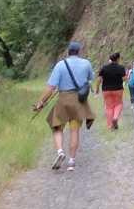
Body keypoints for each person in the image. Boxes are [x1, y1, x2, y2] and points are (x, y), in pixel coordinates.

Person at [32, 41, 95, 172]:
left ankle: (60, 151)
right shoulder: (86, 63)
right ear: (79, 51)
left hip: (63, 100)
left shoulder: (60, 65)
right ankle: (71, 161)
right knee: (74, 130)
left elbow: (51, 88)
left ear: (68, 52)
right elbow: (90, 78)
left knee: (57, 127)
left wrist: (41, 103)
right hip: (79, 101)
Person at [95, 52, 126, 130]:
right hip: (118, 89)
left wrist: (97, 89)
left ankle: (110, 125)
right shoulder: (121, 68)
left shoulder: (104, 68)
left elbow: (99, 79)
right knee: (118, 104)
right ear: (118, 59)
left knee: (109, 106)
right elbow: (124, 79)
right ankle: (115, 118)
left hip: (106, 90)